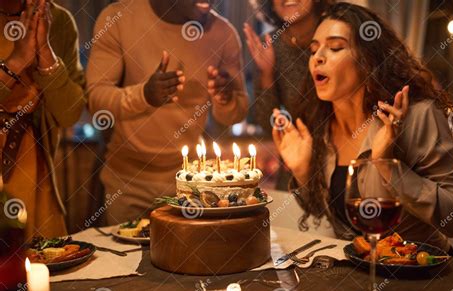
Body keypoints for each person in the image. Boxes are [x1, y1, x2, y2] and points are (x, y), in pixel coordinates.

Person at [272, 2, 453, 251]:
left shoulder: (416, 116)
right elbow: (330, 217)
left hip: (417, 272)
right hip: (358, 272)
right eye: (313, 50)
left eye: (335, 47)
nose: (317, 58)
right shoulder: (321, 127)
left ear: (368, 59)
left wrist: (387, 165)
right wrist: (303, 172)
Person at [86, 0, 248, 224]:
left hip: (189, 182)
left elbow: (234, 114)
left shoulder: (224, 33)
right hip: (127, 182)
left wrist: (225, 99)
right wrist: (144, 96)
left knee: (187, 257)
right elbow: (97, 100)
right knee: (125, 258)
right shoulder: (118, 18)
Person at [0, 0, 85, 240]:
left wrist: (46, 56)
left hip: (35, 177)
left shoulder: (58, 20)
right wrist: (16, 62)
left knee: (46, 265)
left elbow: (70, 114)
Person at [244, 0, 331, 190]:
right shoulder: (270, 45)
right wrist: (266, 73)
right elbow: (268, 126)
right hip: (294, 169)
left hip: (339, 162)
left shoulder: (336, 34)